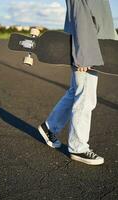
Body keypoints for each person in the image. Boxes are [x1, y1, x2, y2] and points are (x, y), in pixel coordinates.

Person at [38, 0, 118, 165]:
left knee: (76, 91)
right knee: (85, 97)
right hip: (89, 50)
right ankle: (78, 148)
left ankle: (50, 127)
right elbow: (80, 18)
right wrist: (84, 55)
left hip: (97, 47)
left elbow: (102, 18)